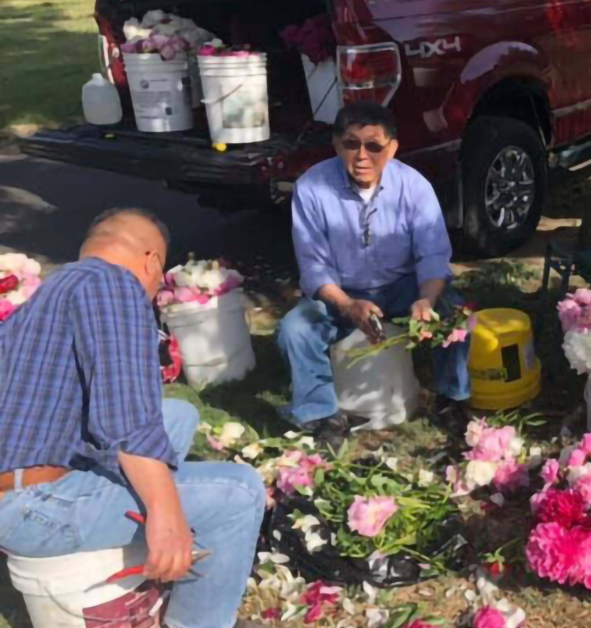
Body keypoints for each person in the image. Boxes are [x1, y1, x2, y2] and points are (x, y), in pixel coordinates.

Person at [0, 208, 265, 628]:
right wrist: (167, 516)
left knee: (177, 413)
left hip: (16, 487)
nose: (156, 289)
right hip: (36, 509)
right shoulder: (113, 284)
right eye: (159, 279)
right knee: (240, 494)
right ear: (151, 261)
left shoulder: (54, 290)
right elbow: (126, 417)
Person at [278, 102, 470, 447]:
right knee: (295, 329)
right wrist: (348, 304)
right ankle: (323, 414)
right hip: (341, 292)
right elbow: (312, 264)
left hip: (402, 287)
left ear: (392, 147)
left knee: (454, 315)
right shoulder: (312, 187)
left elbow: (433, 254)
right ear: (337, 145)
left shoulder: (414, 186)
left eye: (374, 146)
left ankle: (450, 398)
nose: (362, 156)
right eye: (351, 144)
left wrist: (426, 299)